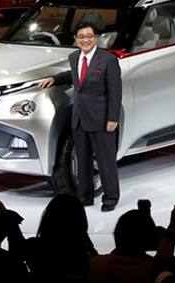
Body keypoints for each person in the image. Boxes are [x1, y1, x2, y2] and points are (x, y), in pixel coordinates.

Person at [38, 21, 122, 211]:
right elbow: (76, 75)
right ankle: (85, 196)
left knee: (105, 161)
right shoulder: (74, 57)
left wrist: (113, 118)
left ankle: (111, 198)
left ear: (96, 38)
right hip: (79, 118)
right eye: (81, 37)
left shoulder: (108, 60)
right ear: (76, 39)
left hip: (101, 119)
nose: (86, 40)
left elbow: (115, 92)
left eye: (89, 36)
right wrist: (55, 79)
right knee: (82, 160)